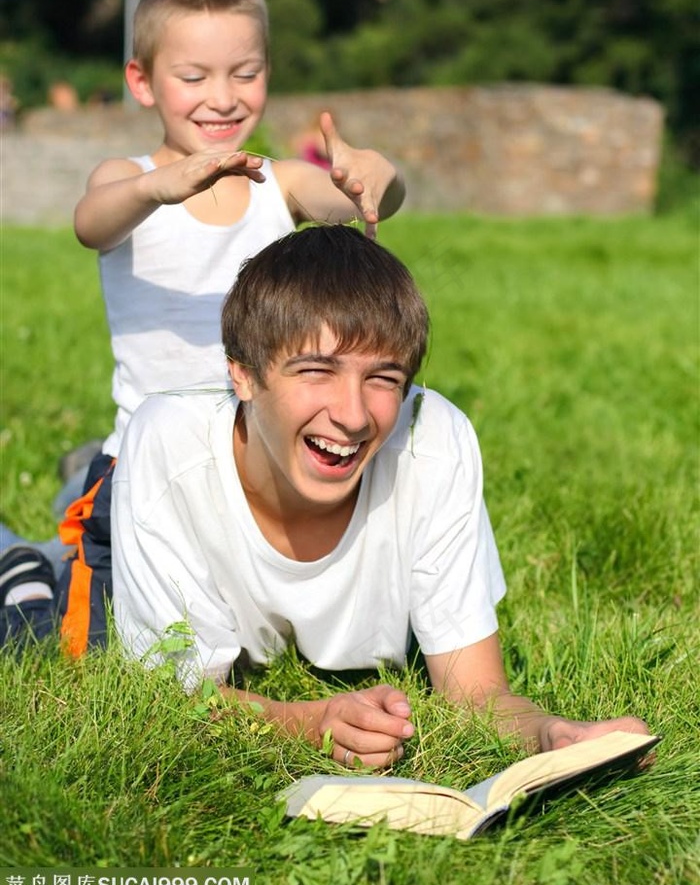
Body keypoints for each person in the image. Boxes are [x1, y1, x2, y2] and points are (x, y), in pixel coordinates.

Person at [105, 225, 646, 767]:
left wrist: (552, 734)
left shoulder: (432, 443)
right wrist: (310, 722)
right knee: (53, 608)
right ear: (242, 375)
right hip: (125, 517)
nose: (353, 415)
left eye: (384, 379)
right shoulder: (168, 446)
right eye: (316, 370)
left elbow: (476, 693)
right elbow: (173, 698)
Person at [0, 0, 405, 654]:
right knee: (86, 646)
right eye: (194, 78)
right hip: (146, 467)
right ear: (142, 82)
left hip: (256, 468)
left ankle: (70, 499)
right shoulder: (129, 181)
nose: (222, 98)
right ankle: (23, 563)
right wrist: (161, 187)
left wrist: (378, 175)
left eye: (244, 74)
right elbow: (92, 222)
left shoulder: (283, 185)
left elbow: (367, 199)